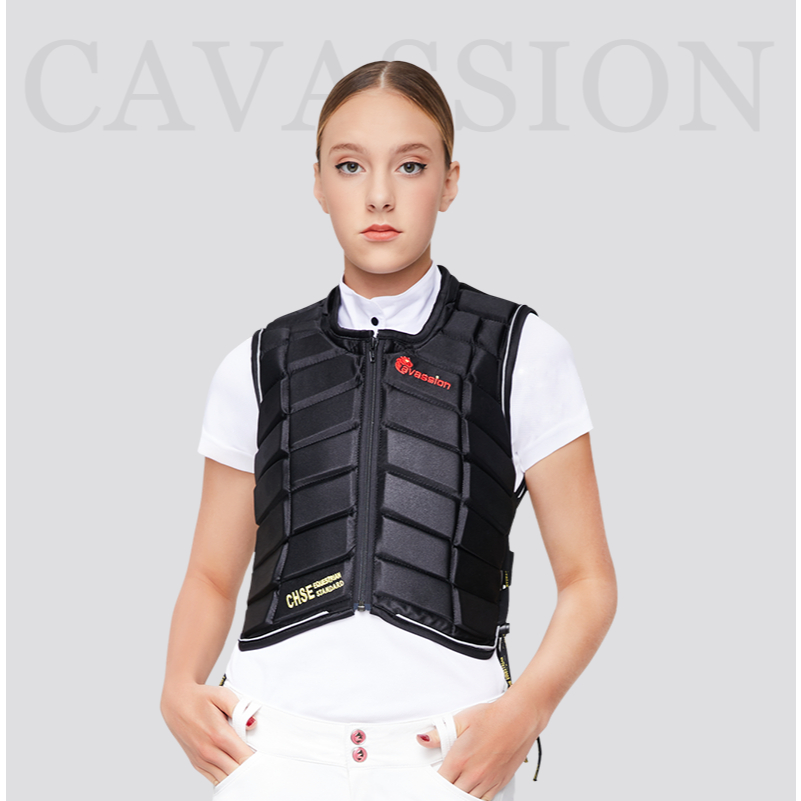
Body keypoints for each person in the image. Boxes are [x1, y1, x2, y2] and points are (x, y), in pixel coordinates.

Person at [160, 60, 617, 801]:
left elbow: (589, 580)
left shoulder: (520, 351)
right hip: (270, 752)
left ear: (449, 181)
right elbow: (211, 575)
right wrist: (177, 686)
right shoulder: (257, 361)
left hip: (450, 761)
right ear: (317, 183)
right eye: (350, 166)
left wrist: (526, 712)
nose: (379, 195)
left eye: (410, 165)